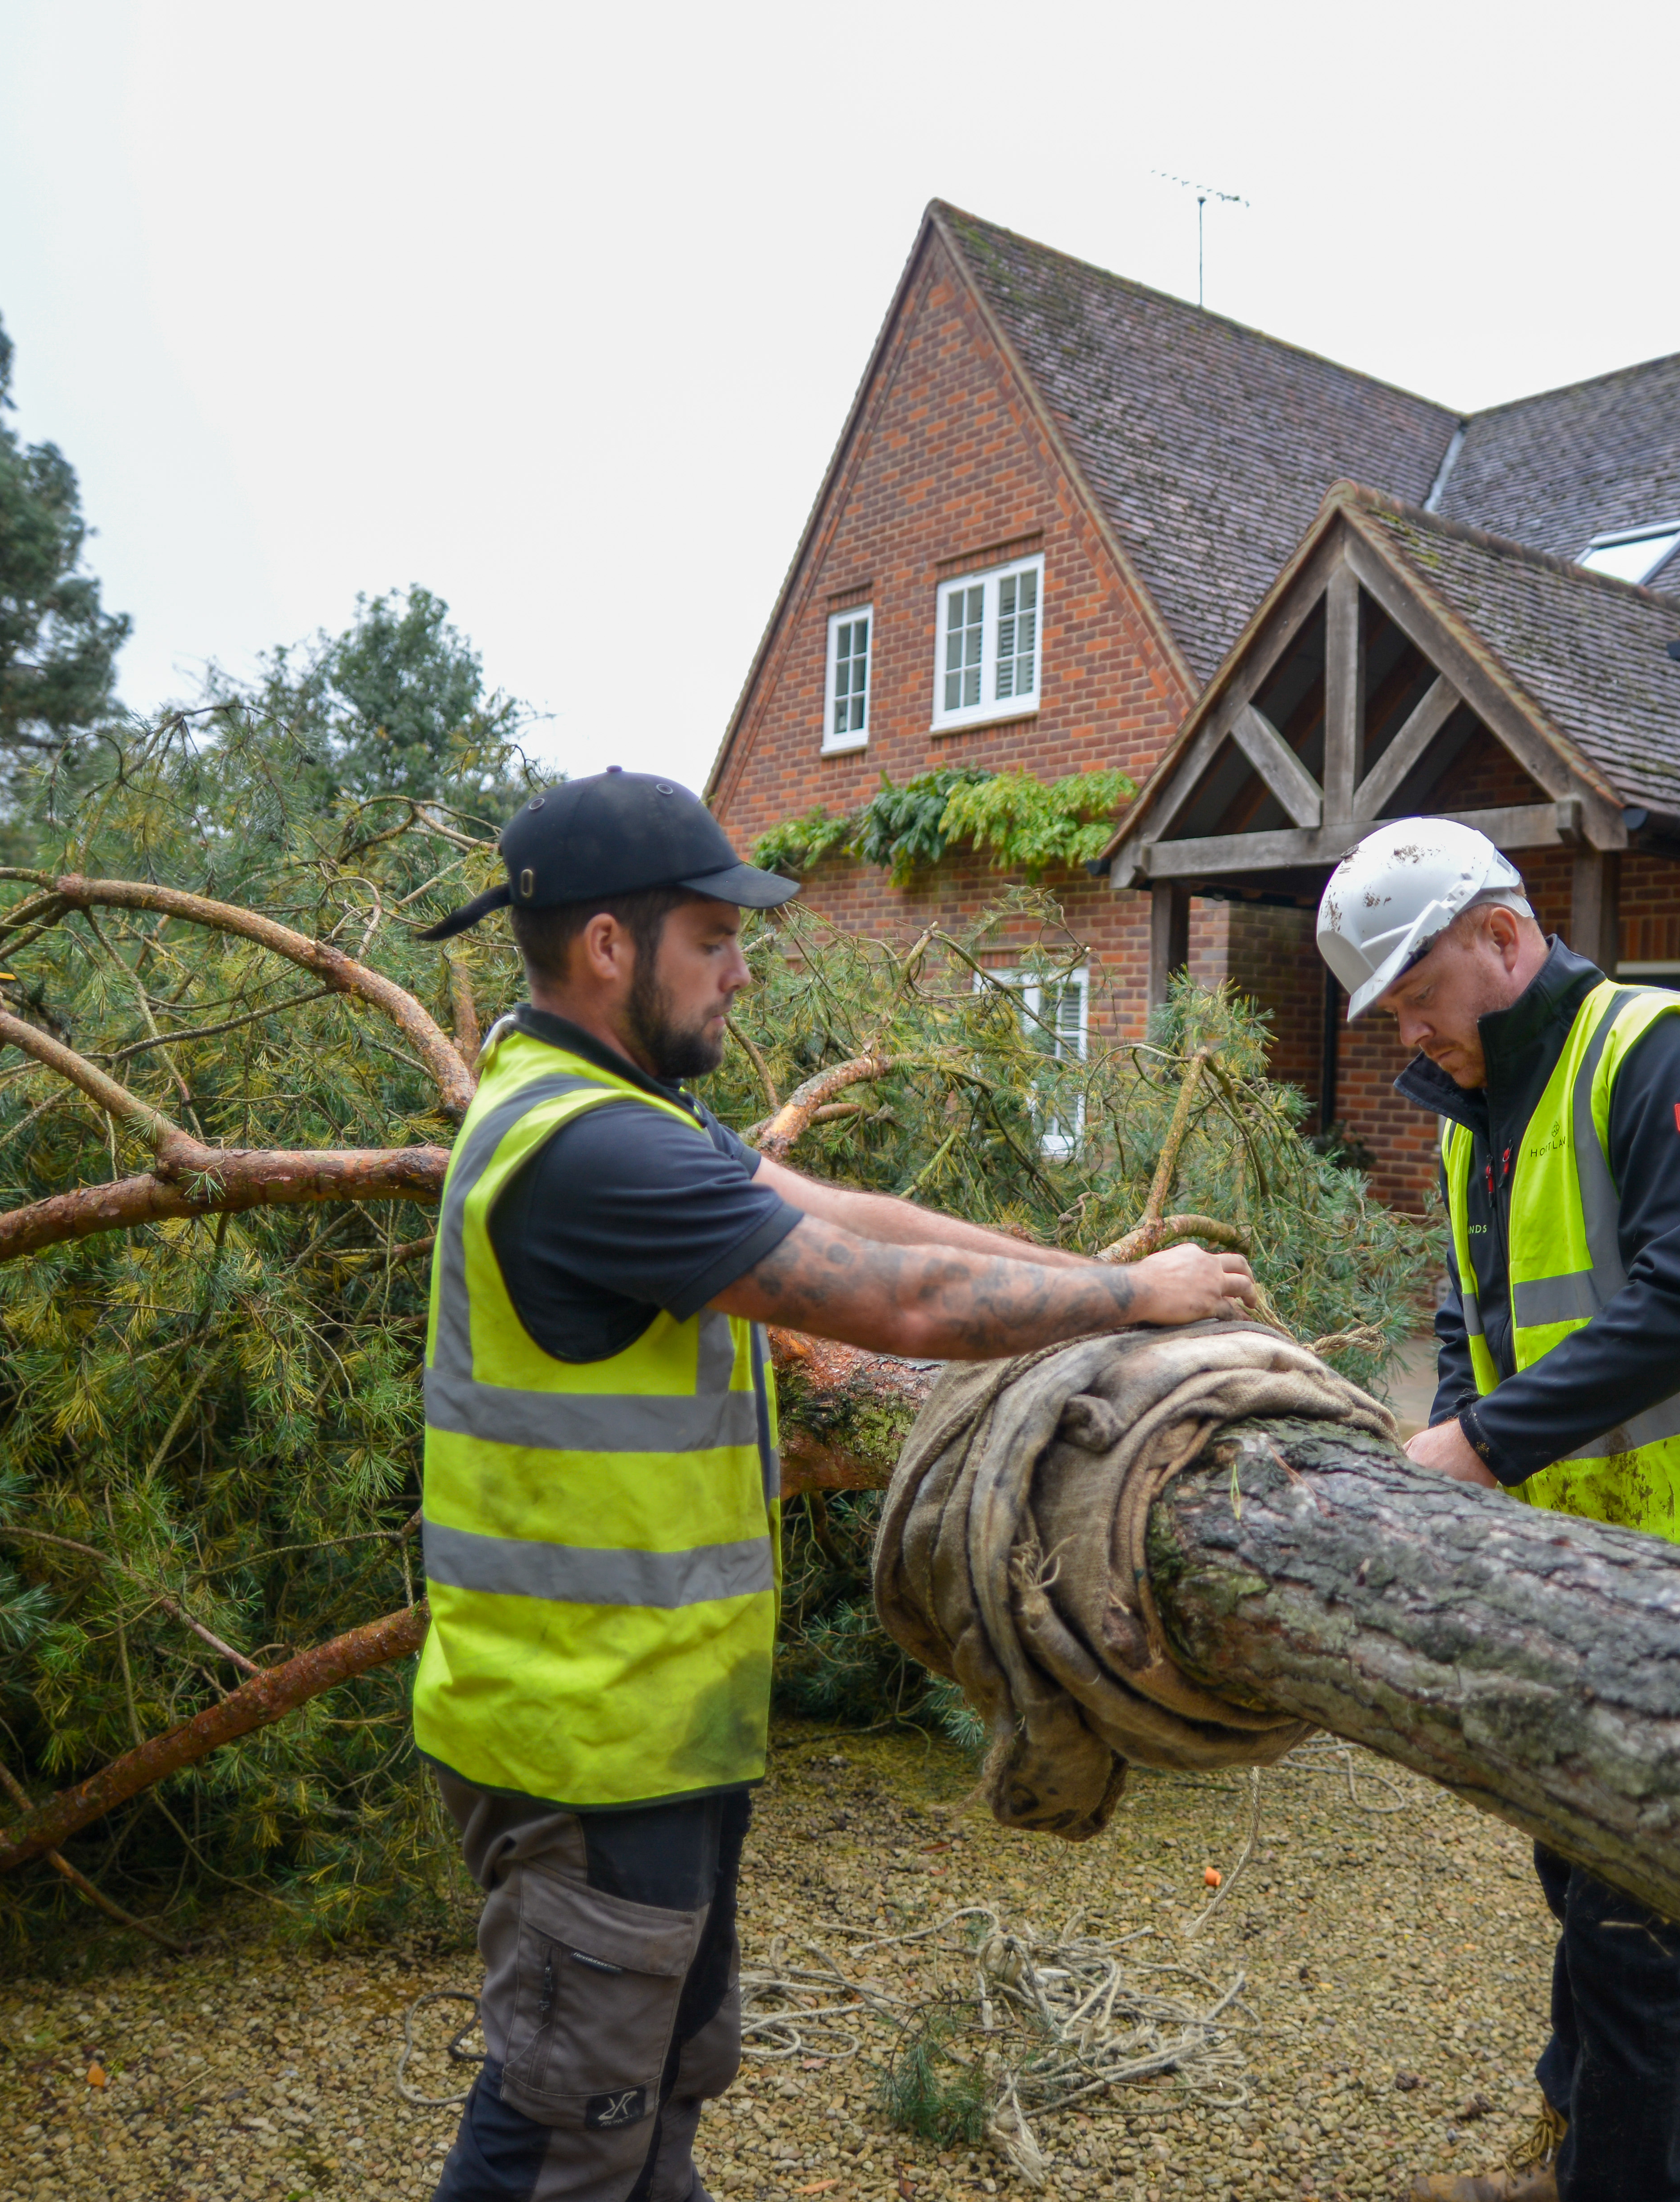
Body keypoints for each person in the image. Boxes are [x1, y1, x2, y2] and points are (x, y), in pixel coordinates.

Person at [410, 769, 1258, 2202]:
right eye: (712, 939)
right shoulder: (591, 1151)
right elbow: (901, 1303)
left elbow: (855, 1216)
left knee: (656, 2096)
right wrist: (1134, 1293)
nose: (743, 972)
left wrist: (1085, 1274)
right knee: (563, 2134)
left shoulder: (609, 1109)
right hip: (584, 1748)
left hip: (645, 1734)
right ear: (609, 948)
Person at [1315, 819, 1680, 2202]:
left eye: (1416, 991)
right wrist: (1463, 1442)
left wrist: (1477, 1450)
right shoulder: (1486, 1104)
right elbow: (1476, 1310)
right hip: (1585, 1554)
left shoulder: (1667, 1053)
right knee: (1579, 1875)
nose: (1409, 1027)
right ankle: (1571, 2144)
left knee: (1637, 1917)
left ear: (1503, 939)